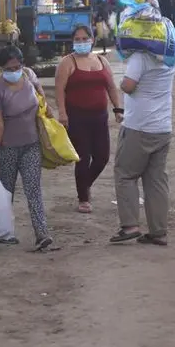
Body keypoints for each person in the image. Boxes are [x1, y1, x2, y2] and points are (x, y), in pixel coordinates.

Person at [0, 45, 54, 251]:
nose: (14, 71)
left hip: (31, 145)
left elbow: (42, 102)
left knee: (33, 189)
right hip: (8, 148)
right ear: (0, 68)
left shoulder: (29, 76)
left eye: (17, 66)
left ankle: (42, 233)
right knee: (6, 192)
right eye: (9, 68)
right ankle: (4, 232)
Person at [109, 49, 175, 246]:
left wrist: (122, 82)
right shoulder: (172, 56)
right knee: (156, 180)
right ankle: (158, 231)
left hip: (139, 126)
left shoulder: (140, 57)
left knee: (125, 174)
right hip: (163, 127)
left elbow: (129, 86)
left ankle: (130, 226)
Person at [55, 25, 122, 214]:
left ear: (92, 40)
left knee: (102, 157)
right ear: (72, 41)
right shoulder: (67, 62)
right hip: (77, 117)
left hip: (100, 116)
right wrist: (62, 113)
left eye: (85, 39)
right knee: (82, 158)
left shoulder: (102, 61)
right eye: (78, 39)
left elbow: (110, 87)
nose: (82, 42)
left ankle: (85, 184)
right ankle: (83, 198)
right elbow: (59, 89)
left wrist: (117, 108)